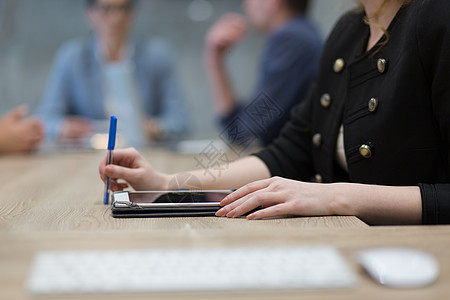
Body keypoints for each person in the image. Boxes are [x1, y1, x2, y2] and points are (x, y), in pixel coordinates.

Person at [99, 0, 450, 225]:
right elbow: (288, 149)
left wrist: (333, 195)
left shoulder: (292, 41)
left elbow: (245, 130)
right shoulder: (348, 30)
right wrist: (167, 184)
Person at [37, 0, 188, 146]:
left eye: (123, 8)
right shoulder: (72, 58)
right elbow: (45, 119)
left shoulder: (156, 56)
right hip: (88, 154)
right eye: (106, 9)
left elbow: (180, 120)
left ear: (133, 12)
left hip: (144, 152)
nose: (116, 18)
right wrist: (62, 128)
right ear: (90, 13)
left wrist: (156, 128)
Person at [205, 0, 322, 146]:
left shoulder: (291, 41)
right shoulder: (301, 35)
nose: (245, 5)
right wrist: (216, 57)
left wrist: (213, 58)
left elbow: (245, 133)